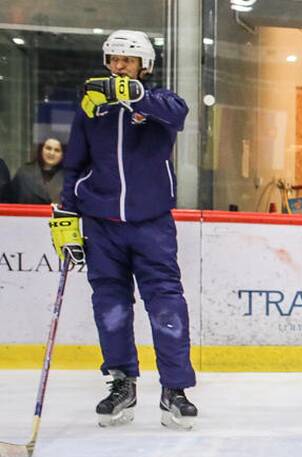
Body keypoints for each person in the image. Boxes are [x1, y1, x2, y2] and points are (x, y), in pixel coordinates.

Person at [52, 30, 197, 429]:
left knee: (167, 306)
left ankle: (175, 390)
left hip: (152, 224)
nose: (119, 66)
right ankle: (121, 383)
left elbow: (178, 113)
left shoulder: (158, 102)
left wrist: (132, 96)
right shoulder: (91, 107)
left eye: (127, 60)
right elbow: (74, 165)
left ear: (143, 66)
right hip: (102, 226)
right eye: (114, 59)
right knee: (111, 309)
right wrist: (68, 215)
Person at [5, 139, 65, 205]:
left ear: (62, 155)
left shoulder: (68, 177)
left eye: (57, 150)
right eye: (48, 148)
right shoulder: (24, 173)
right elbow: (11, 201)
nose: (51, 153)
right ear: (41, 150)